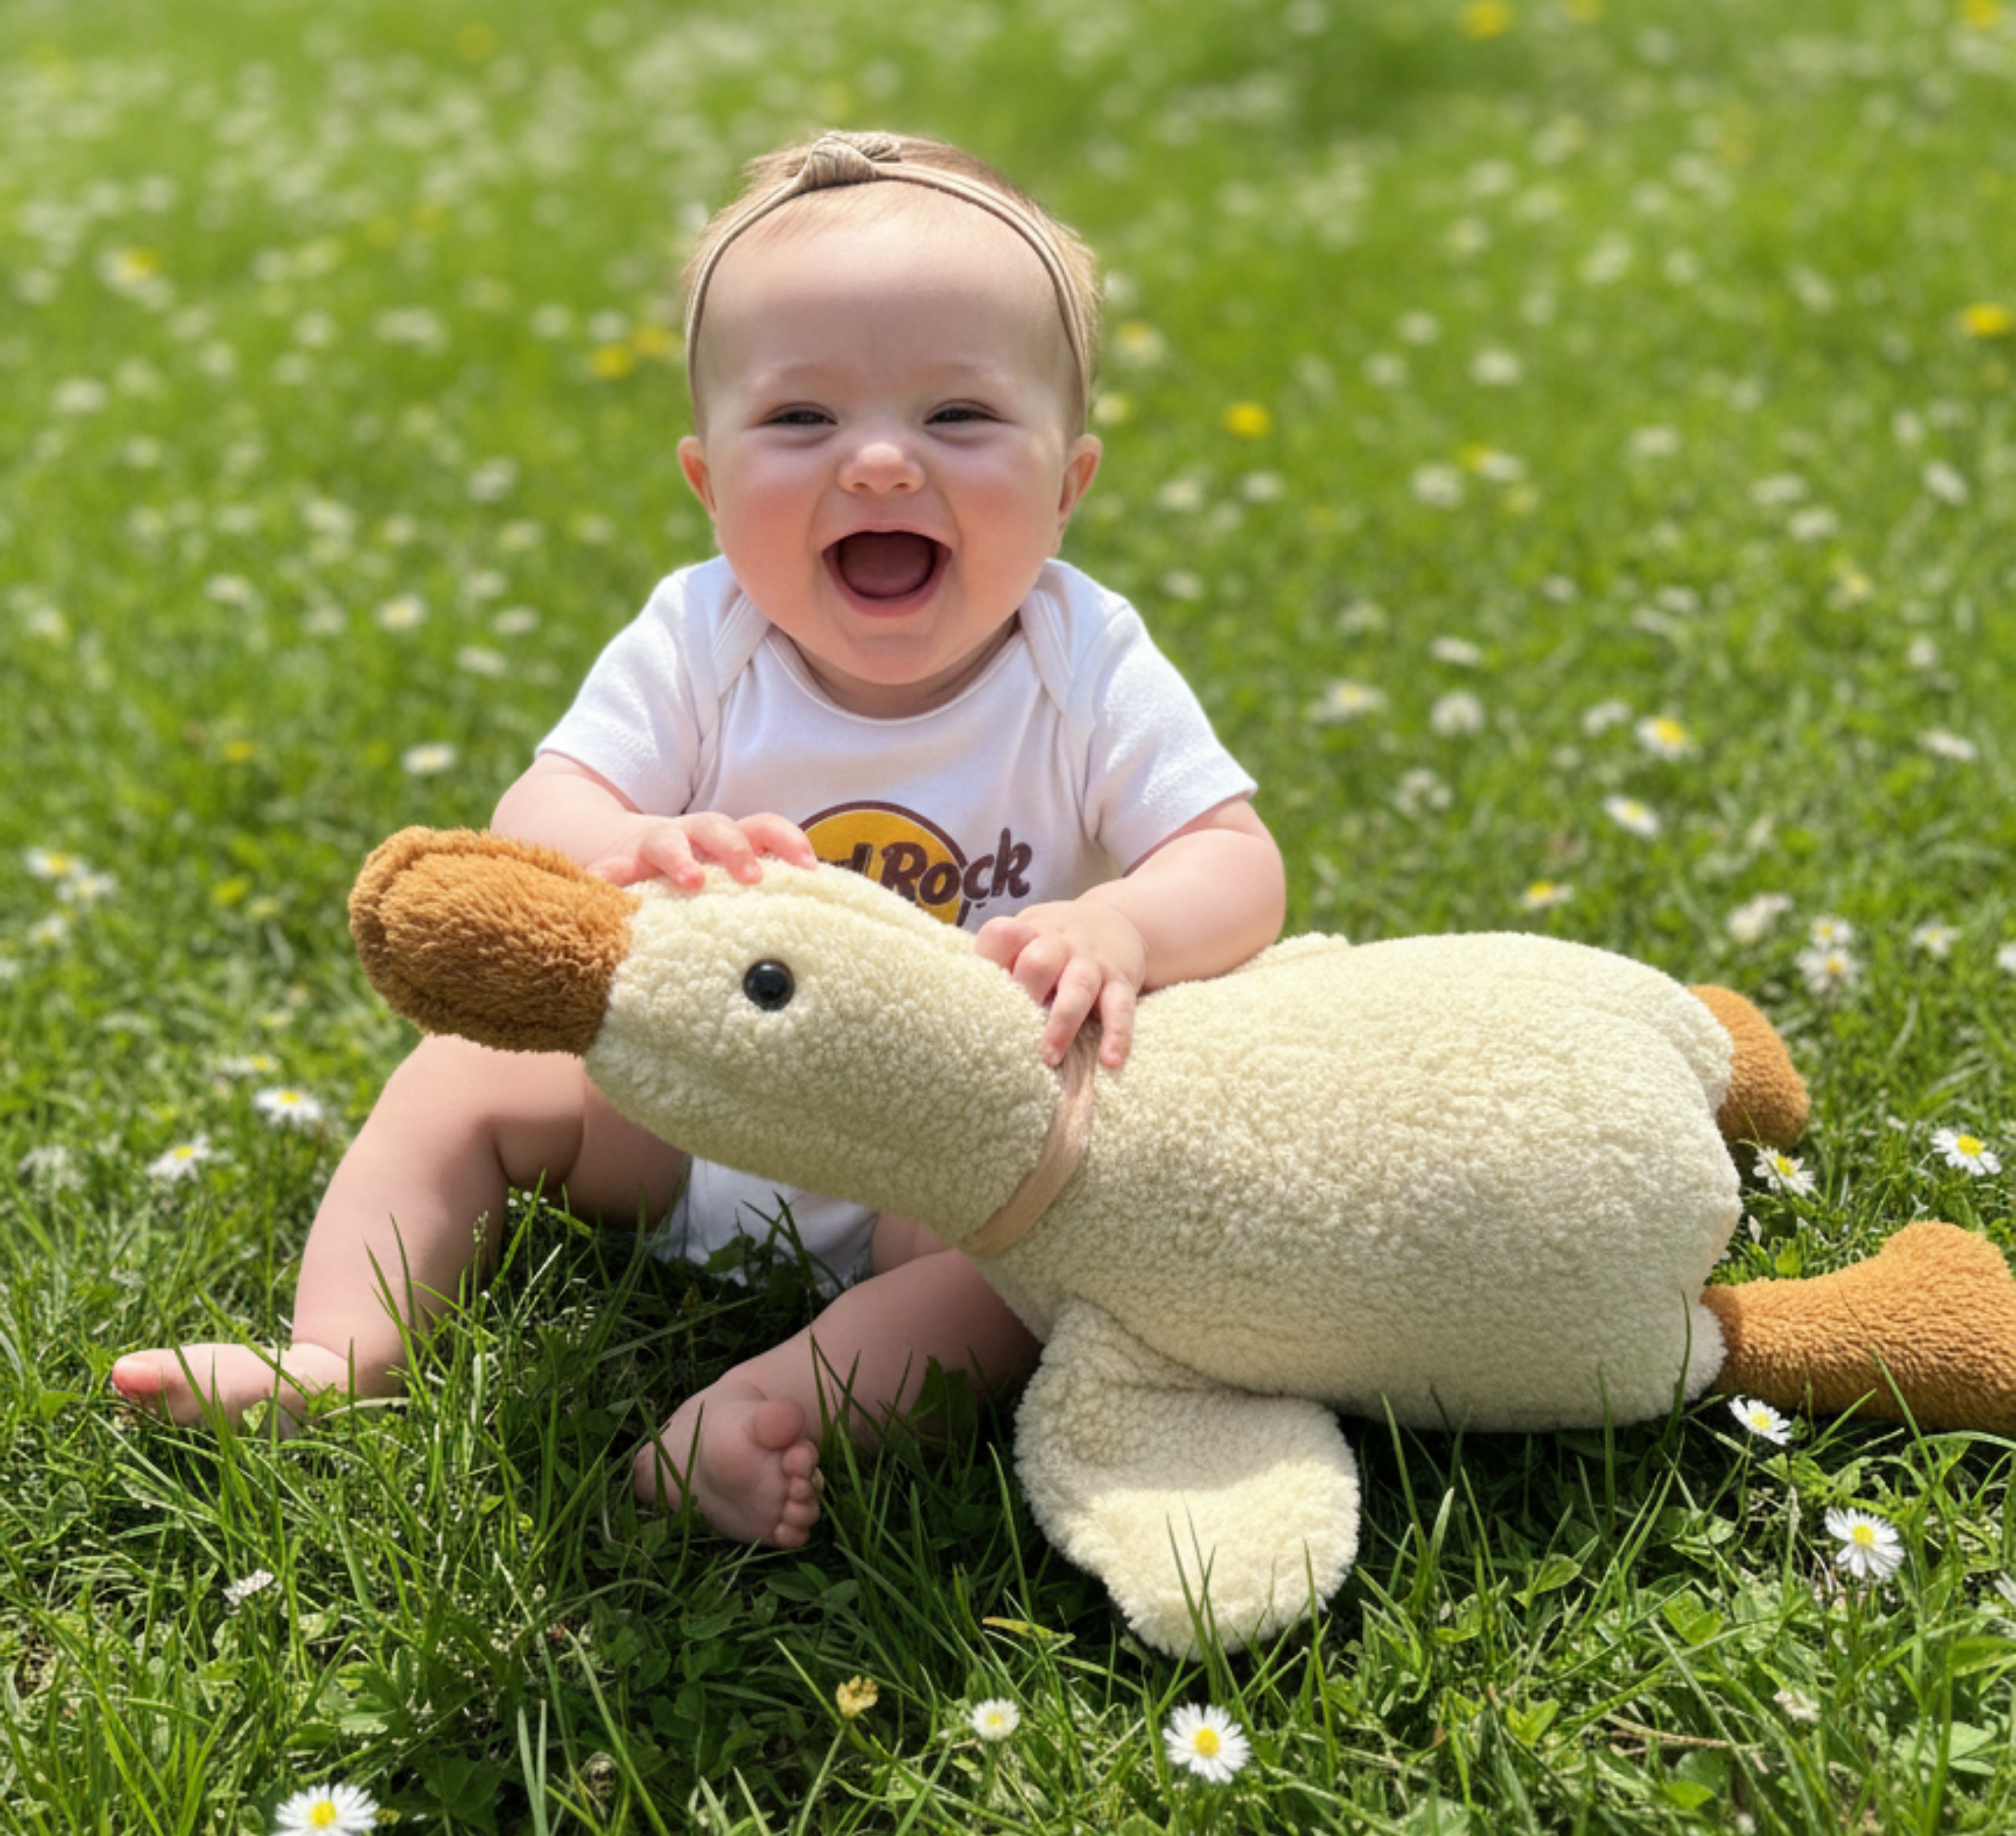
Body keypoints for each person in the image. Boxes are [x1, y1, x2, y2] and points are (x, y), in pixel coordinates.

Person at [113, 129, 1287, 1548]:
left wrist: (1124, 923)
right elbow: (535, 816)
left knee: (1014, 1271)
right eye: (798, 422)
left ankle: (764, 1411)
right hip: (685, 1108)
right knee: (457, 1079)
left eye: (959, 418)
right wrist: (636, 836)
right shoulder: (698, 635)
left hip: (946, 1145)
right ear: (705, 480)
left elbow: (1234, 863)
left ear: (1068, 482)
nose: (872, 463)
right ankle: (343, 1346)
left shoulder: (1083, 656)